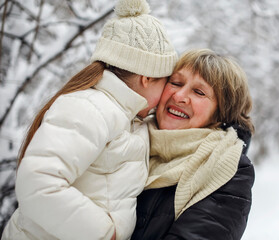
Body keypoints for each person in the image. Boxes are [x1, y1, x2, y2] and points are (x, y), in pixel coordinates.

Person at [1, 0, 177, 239]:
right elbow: (38, 182)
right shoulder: (89, 108)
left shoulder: (127, 117)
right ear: (147, 78)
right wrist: (106, 234)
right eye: (167, 81)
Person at [131, 49, 255, 240]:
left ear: (221, 112)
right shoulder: (124, 136)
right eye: (175, 83)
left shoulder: (229, 168)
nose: (179, 96)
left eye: (199, 92)